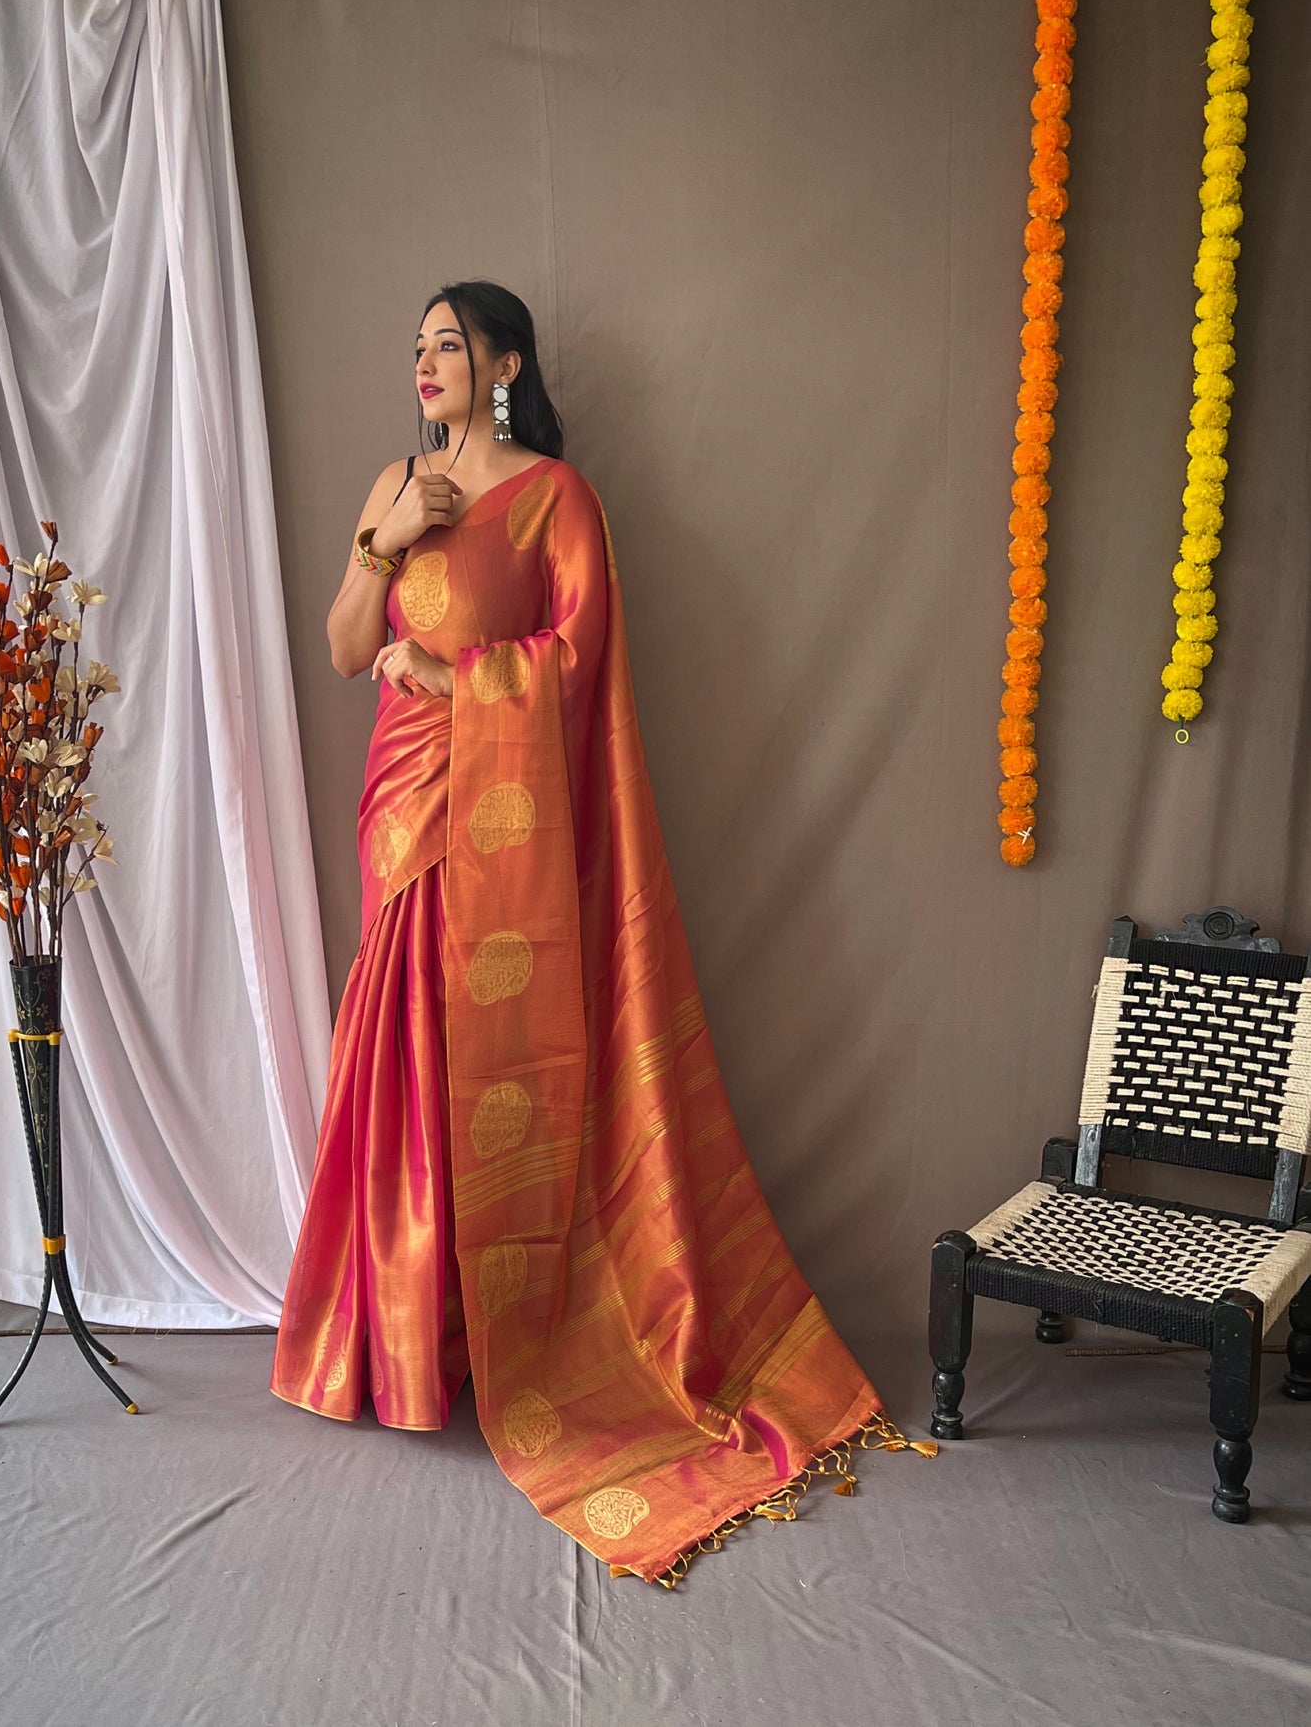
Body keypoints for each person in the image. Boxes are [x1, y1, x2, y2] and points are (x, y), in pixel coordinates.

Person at [270, 280, 921, 1586]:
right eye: (416, 346)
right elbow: (347, 649)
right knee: (397, 1051)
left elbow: (578, 660)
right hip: (399, 807)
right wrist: (379, 539)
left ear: (504, 362)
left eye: (449, 343)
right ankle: (396, 1341)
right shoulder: (394, 483)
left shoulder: (560, 501)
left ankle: (504, 1336)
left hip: (497, 816)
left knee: (481, 1056)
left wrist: (458, 680)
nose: (426, 362)